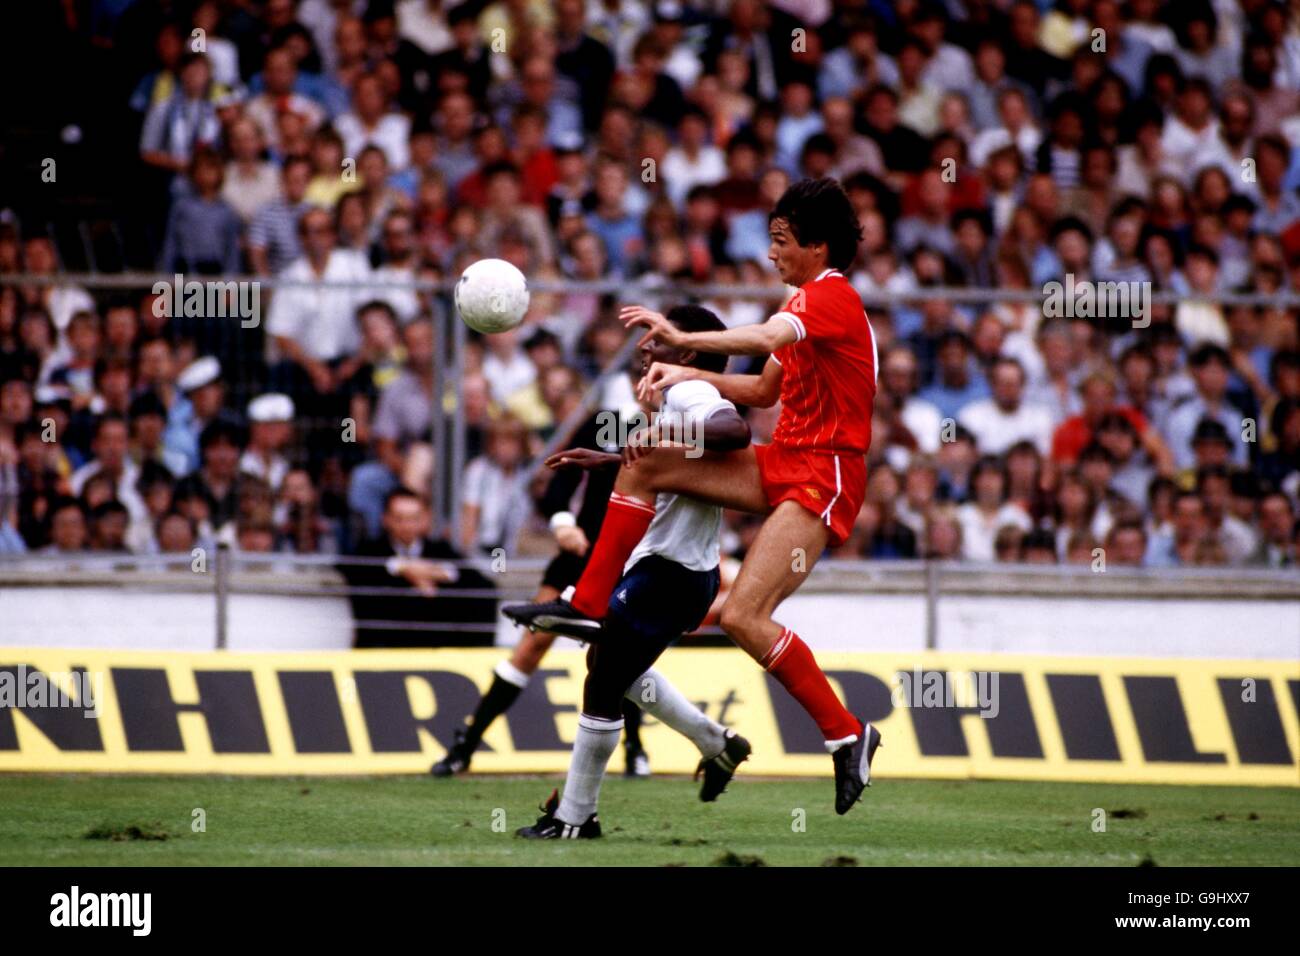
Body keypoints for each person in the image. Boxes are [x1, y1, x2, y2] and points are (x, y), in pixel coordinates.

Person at [506, 178, 883, 815]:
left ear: (818, 246)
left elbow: (763, 343)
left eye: (781, 240)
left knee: (743, 619)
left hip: (826, 473)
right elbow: (763, 394)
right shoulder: (806, 301)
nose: (772, 253)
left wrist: (684, 344)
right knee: (647, 463)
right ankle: (589, 602)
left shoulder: (831, 298)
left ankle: (847, 733)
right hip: (785, 460)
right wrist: (687, 374)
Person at [433, 307, 744, 783]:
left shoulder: (684, 411)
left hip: (634, 553)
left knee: (613, 655)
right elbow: (560, 481)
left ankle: (631, 757)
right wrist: (563, 521)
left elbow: (716, 442)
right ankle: (468, 745)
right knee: (544, 648)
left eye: (653, 349)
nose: (645, 368)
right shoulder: (611, 423)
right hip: (582, 552)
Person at [516, 305, 756, 839]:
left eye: (657, 338)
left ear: (688, 353)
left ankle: (576, 818)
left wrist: (658, 437)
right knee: (607, 667)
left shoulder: (694, 393)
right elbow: (678, 462)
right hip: (667, 567)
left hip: (673, 572)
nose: (645, 346)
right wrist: (607, 460)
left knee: (603, 683)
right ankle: (717, 744)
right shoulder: (672, 398)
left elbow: (732, 431)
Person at [339, 487, 497, 648]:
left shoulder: (440, 550)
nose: (407, 525)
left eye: (414, 518)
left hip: (435, 648)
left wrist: (436, 573)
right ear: (385, 519)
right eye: (399, 518)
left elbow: (479, 582)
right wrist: (400, 567)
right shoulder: (369, 551)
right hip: (386, 648)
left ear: (425, 519)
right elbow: (350, 569)